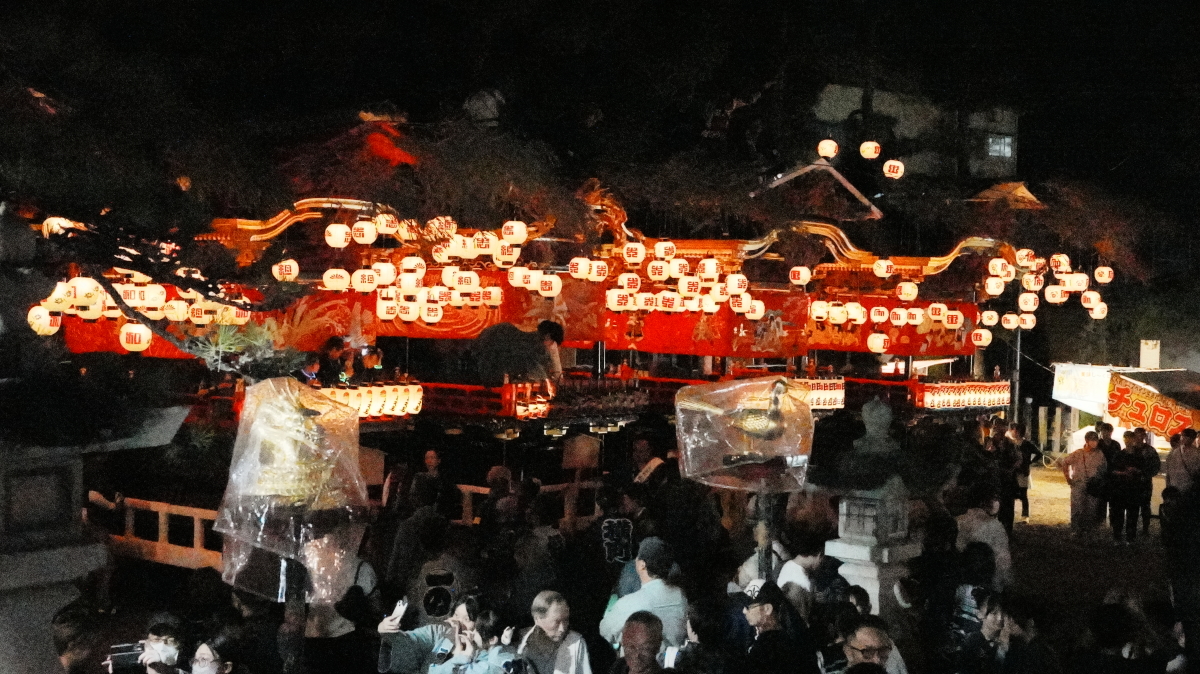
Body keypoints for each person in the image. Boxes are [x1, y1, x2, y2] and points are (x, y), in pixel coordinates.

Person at [600, 537, 688, 648]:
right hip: (676, 658)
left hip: (641, 658)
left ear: (642, 565)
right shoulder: (681, 596)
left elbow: (605, 631)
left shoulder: (630, 603)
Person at [377, 594, 482, 673]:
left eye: (466, 619)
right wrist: (387, 632)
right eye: (456, 615)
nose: (458, 623)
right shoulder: (440, 632)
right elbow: (413, 641)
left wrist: (460, 658)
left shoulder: (483, 656)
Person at [740, 580, 820, 674]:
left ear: (767, 609)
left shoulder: (768, 648)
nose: (744, 611)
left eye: (749, 607)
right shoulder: (795, 639)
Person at [516, 591, 592, 674]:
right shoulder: (519, 642)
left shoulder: (576, 643)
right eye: (557, 622)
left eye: (565, 620)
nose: (562, 628)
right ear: (537, 619)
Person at [474, 320, 564, 387]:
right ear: (547, 336)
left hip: (481, 363)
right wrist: (547, 382)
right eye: (552, 342)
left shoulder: (511, 331)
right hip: (487, 367)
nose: (550, 347)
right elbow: (532, 364)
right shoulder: (531, 344)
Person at [956, 484, 1013, 591]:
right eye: (994, 498)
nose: (997, 502)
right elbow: (1002, 562)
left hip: (960, 582)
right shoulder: (995, 526)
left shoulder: (957, 521)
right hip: (986, 583)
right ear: (984, 502)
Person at [429, 610, 516, 674]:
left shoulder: (487, 668)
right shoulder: (503, 655)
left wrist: (463, 656)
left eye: (476, 630)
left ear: (492, 640)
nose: (473, 633)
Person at [1110, 431, 1156, 545]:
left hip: (1135, 488)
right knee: (1119, 514)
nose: (1128, 441)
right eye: (1126, 439)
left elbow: (1146, 470)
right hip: (1120, 489)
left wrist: (1137, 471)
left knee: (1133, 514)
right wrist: (1123, 473)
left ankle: (1130, 538)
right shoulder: (1119, 455)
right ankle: (1117, 537)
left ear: (1133, 439)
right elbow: (1112, 470)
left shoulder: (1140, 456)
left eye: (1130, 439)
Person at [1062, 431, 1108, 534]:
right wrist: (1068, 478)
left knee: (1091, 508)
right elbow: (1065, 463)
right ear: (1087, 440)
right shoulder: (1078, 453)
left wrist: (1099, 481)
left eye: (1096, 439)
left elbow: (1104, 469)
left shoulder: (1100, 454)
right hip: (1079, 483)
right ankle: (1076, 529)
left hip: (1093, 485)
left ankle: (1088, 529)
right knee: (1077, 508)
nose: (1094, 442)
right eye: (1092, 439)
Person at [1130, 431, 1162, 536]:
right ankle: (1132, 529)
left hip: (1145, 482)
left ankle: (1145, 529)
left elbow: (1156, 466)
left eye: (1141, 435)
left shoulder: (1149, 450)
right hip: (1132, 482)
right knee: (1133, 507)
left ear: (1144, 436)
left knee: (1145, 506)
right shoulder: (1130, 449)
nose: (1138, 438)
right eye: (1136, 435)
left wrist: (1144, 473)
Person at [1008, 423, 1042, 523]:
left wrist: (1029, 462)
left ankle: (1025, 516)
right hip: (1013, 472)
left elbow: (1039, 454)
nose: (1012, 432)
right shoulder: (1011, 443)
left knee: (1023, 494)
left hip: (1022, 472)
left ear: (1018, 432)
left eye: (1014, 430)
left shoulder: (1026, 444)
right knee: (1012, 493)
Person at [1167, 429, 1200, 494]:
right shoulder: (1175, 451)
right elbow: (1169, 468)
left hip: (1189, 486)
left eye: (1184, 436)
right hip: (1177, 484)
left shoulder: (1196, 453)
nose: (1182, 438)